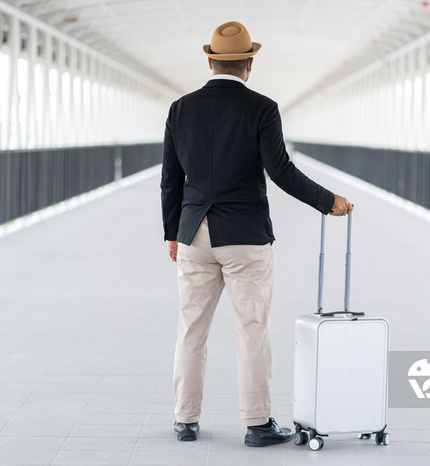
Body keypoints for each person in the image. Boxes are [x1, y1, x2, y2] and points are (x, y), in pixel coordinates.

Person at [161, 21, 353, 447]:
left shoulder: (181, 108)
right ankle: (256, 424)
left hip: (194, 234)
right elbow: (281, 171)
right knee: (251, 329)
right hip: (245, 236)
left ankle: (185, 421)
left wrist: (172, 234)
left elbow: (170, 180)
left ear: (211, 60)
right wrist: (328, 201)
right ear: (249, 63)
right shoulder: (262, 108)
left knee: (191, 328)